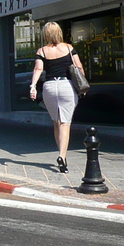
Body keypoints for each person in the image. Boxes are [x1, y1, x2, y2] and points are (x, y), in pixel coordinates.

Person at [28, 21, 85, 173]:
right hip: (67, 86)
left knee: (56, 122)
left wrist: (33, 86)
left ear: (45, 34)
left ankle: (60, 151)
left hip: (50, 87)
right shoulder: (68, 48)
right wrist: (82, 84)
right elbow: (79, 66)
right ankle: (62, 156)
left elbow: (38, 68)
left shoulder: (42, 51)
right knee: (65, 123)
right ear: (59, 32)